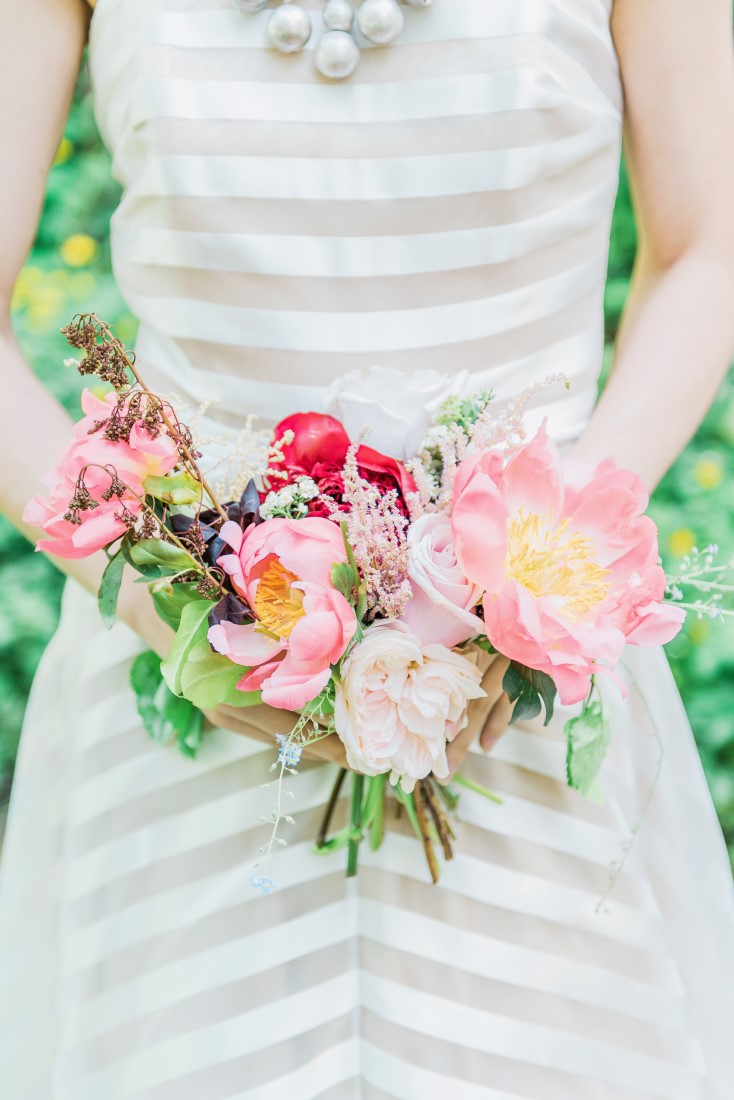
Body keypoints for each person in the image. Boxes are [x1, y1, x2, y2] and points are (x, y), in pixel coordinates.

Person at [1, 0, 733, 1096]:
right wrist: (172, 605)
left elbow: (704, 246)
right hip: (176, 724)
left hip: (519, 712)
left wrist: (545, 566)